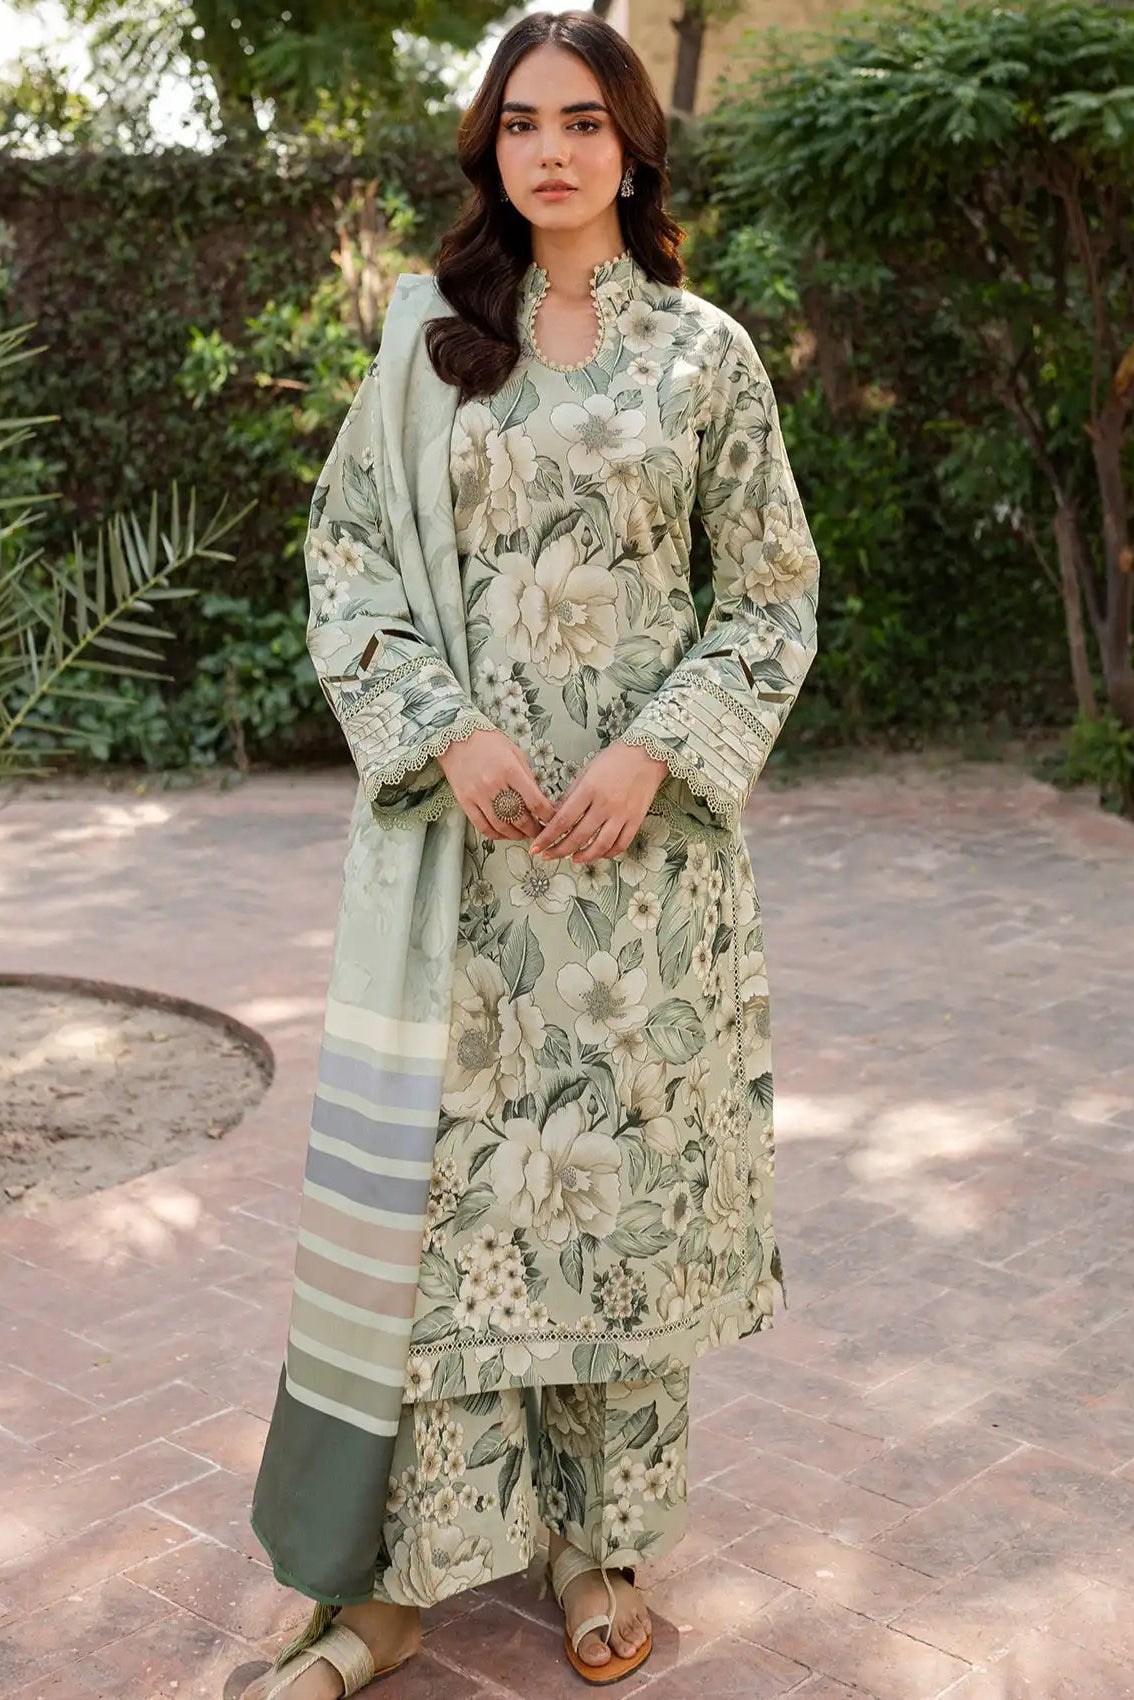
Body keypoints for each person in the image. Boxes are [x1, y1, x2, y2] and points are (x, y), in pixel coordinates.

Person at [244, 10, 819, 1697]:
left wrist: (654, 755)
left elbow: (770, 597)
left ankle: (596, 1545)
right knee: (450, 1211)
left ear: (630, 147)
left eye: (580, 120)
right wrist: (445, 732)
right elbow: (347, 558)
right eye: (519, 123)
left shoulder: (703, 355)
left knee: (611, 1209)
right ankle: (398, 1578)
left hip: (642, 886)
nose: (549, 150)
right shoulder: (431, 345)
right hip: (468, 874)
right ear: (488, 149)